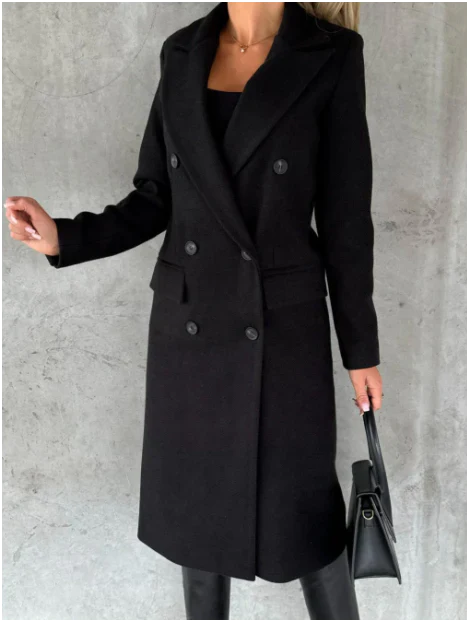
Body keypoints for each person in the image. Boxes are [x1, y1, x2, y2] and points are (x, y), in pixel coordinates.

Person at [4, 1, 383, 619]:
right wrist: (64, 237)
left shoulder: (332, 55)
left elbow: (345, 221)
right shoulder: (181, 52)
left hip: (283, 333)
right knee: (200, 522)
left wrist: (360, 350)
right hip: (190, 331)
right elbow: (156, 197)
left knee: (306, 520)